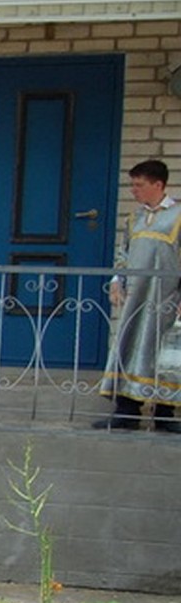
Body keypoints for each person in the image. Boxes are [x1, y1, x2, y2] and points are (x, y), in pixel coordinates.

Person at [98, 160, 181, 431]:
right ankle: (127, 410)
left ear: (158, 184)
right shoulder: (134, 218)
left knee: (162, 354)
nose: (133, 190)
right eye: (132, 184)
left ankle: (164, 413)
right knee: (130, 344)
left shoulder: (178, 215)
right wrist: (116, 279)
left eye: (139, 185)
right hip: (136, 295)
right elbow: (125, 253)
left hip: (166, 297)